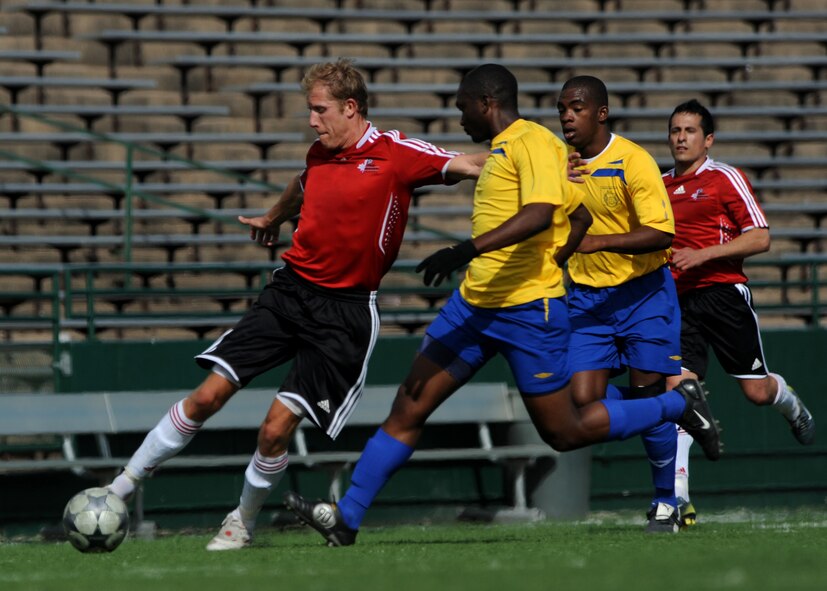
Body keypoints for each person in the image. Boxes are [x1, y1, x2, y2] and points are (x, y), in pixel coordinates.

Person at [282, 64, 722, 547]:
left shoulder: (532, 141)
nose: (460, 118)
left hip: (528, 312)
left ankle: (675, 403)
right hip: (472, 306)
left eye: (462, 107)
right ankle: (346, 519)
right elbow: (575, 213)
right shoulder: (512, 150)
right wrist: (560, 251)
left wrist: (468, 250)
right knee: (409, 404)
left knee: (565, 431)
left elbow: (539, 212)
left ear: (486, 102)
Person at [103, 58, 489, 551]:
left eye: (319, 109)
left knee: (274, 429)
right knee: (206, 397)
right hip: (288, 295)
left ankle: (241, 522)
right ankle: (118, 490)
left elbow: (472, 163)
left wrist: (543, 168)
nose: (312, 120)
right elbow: (302, 186)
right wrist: (273, 216)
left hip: (344, 315)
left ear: (351, 108)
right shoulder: (318, 153)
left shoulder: (395, 154)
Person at [662, 99, 815, 526]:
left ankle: (789, 402)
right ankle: (677, 499)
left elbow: (761, 237)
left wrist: (703, 255)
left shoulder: (725, 178)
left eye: (690, 130)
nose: (680, 137)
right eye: (675, 130)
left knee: (756, 393)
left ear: (707, 139)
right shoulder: (658, 184)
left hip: (724, 296)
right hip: (678, 302)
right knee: (680, 398)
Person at [557, 75, 687, 533]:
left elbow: (663, 232)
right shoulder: (563, 165)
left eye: (576, 107)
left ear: (601, 113)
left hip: (643, 294)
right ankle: (677, 405)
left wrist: (598, 243)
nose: (567, 116)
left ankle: (665, 502)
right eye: (562, 109)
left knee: (648, 392)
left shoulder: (633, 160)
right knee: (578, 402)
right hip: (588, 302)